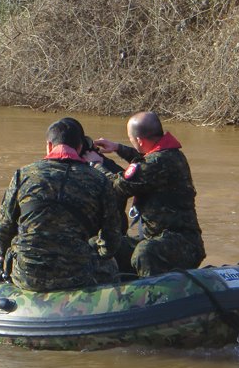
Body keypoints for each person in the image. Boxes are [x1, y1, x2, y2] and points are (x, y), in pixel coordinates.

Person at [0, 119, 122, 292]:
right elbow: (112, 239)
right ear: (79, 147)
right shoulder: (100, 180)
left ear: (48, 145)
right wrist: (99, 252)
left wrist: (1, 255)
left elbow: (4, 227)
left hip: (26, 275)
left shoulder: (22, 175)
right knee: (111, 264)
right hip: (77, 277)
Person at [84, 110, 205, 276]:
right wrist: (117, 148)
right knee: (98, 245)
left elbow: (118, 186)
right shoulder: (169, 154)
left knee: (144, 253)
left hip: (181, 242)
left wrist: (96, 164)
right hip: (156, 238)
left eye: (131, 139)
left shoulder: (158, 162)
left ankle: (152, 296)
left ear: (139, 141)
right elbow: (143, 161)